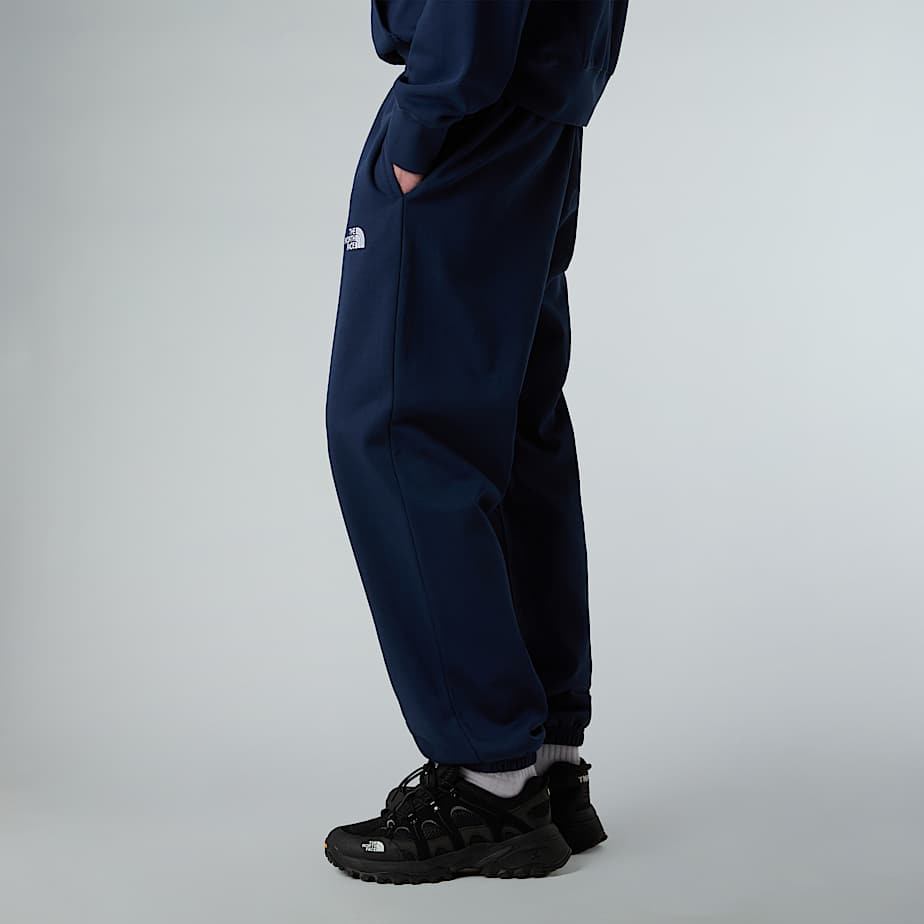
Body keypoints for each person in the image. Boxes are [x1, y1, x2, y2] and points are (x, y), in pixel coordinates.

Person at [324, 0, 630, 883]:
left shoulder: (455, 106)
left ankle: (489, 783)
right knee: (511, 431)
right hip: (538, 107)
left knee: (401, 432)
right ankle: (546, 764)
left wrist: (428, 117)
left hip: (472, 110)